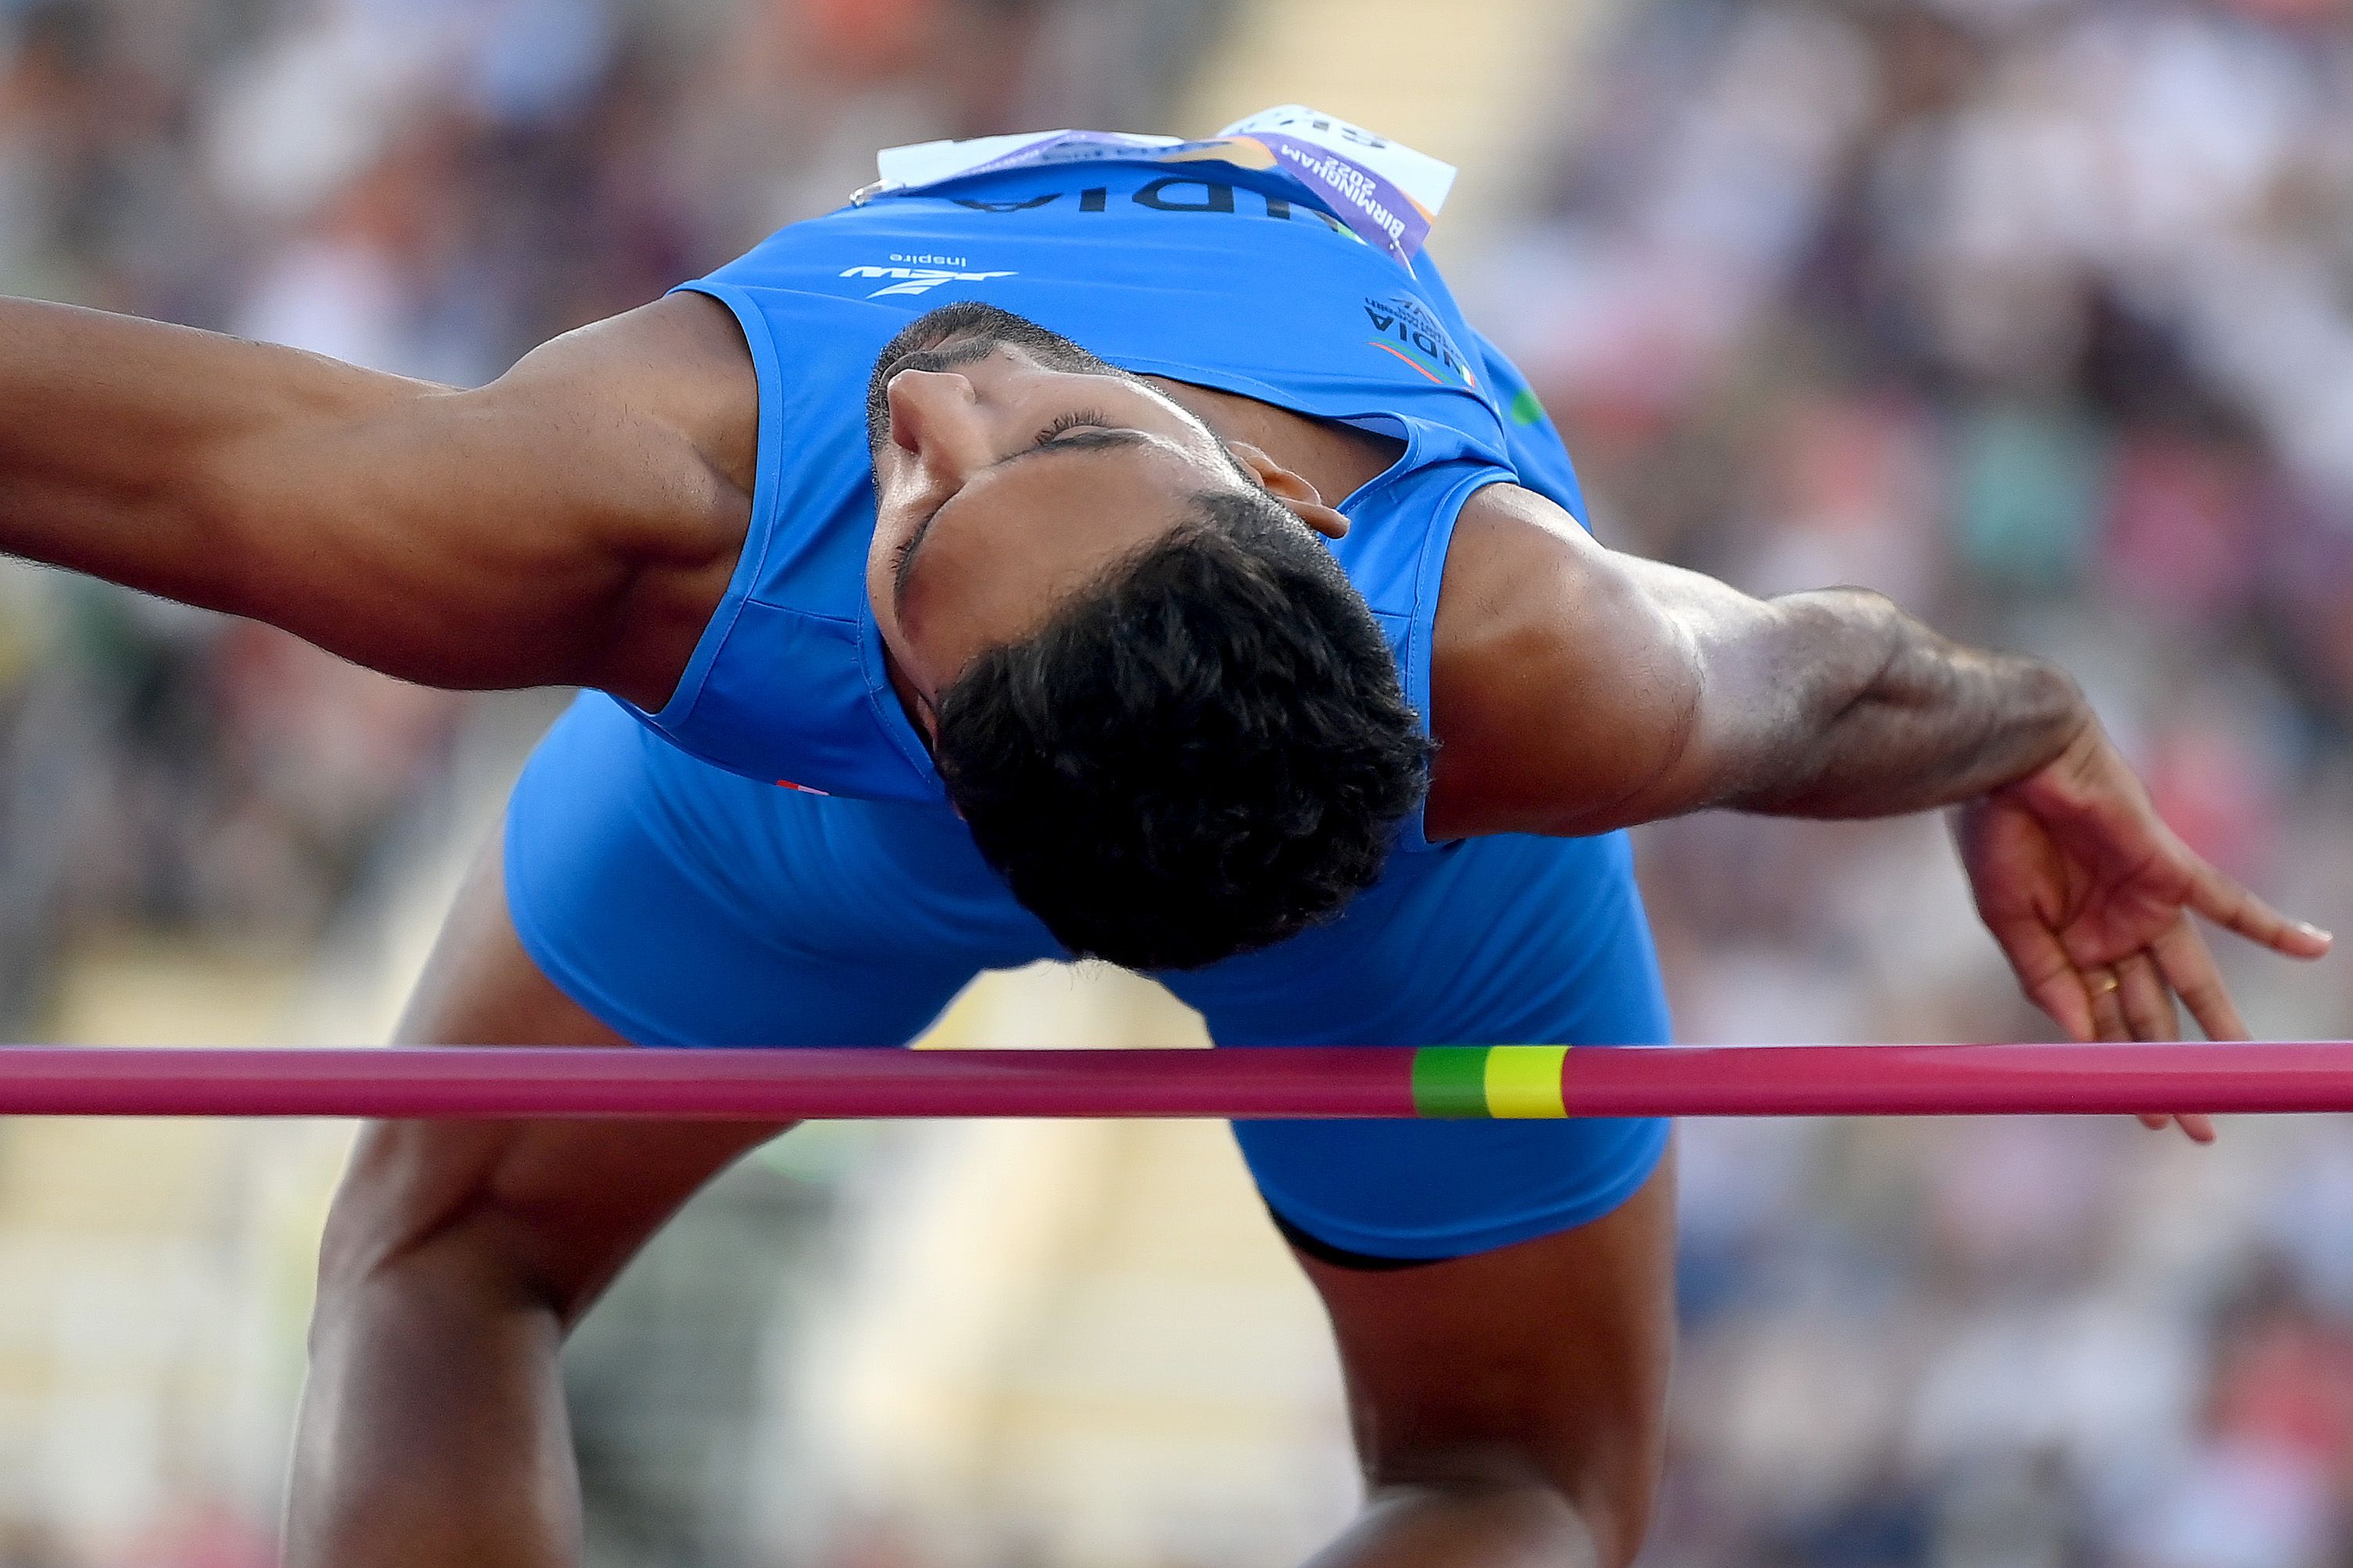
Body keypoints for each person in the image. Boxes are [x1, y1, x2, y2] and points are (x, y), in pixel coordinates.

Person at [0, 112, 2329, 1568]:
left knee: (437, 1254)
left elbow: (155, 464)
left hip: (1257, 862)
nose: (937, 402)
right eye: (947, 479)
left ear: (1302, 516)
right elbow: (1824, 680)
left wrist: (2007, 736)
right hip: (1194, 851)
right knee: (1511, 1488)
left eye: (992, 460)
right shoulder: (1539, 659)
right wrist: (2019, 731)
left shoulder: (654, 516)